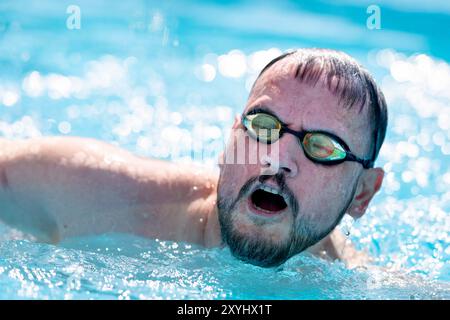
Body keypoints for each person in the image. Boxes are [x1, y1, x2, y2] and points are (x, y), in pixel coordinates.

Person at [0, 48, 387, 268]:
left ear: (363, 195)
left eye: (322, 146)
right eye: (263, 125)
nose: (277, 159)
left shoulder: (363, 285)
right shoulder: (96, 191)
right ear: (229, 141)